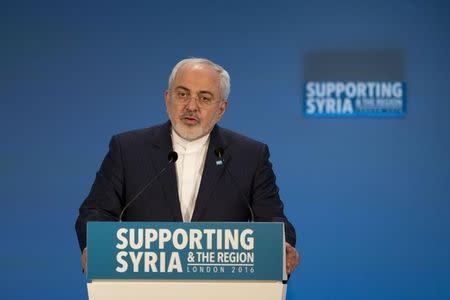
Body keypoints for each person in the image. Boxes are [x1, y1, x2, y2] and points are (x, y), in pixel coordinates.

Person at [75, 57, 300, 275]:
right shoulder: (128, 149)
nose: (191, 106)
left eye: (204, 98)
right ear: (167, 99)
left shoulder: (250, 156)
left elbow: (272, 219)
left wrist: (282, 245)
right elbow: (95, 212)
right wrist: (95, 246)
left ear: (221, 109)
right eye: (182, 94)